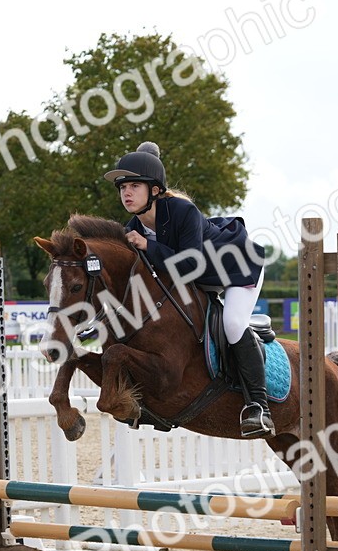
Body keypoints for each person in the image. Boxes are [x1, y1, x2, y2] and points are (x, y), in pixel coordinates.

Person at [106, 141, 274, 438]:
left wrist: (149, 245)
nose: (126, 193)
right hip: (199, 281)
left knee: (233, 324)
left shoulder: (183, 211)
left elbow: (190, 265)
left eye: (134, 185)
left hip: (235, 268)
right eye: (122, 187)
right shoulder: (131, 226)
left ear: (155, 190)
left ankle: (258, 407)